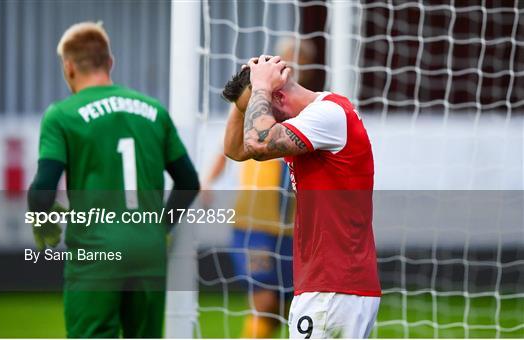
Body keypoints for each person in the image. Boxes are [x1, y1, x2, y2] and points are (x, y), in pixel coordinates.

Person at [27, 22, 199, 338]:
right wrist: (159, 227)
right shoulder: (154, 111)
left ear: (68, 67)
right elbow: (189, 181)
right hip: (148, 251)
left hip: (97, 252)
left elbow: (42, 191)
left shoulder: (63, 115)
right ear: (110, 62)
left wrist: (40, 215)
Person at [221, 55, 381, 338]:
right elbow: (235, 150)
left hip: (332, 288)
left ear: (278, 97)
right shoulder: (315, 120)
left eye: (257, 112)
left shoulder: (326, 115)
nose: (253, 123)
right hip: (338, 287)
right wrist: (249, 89)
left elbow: (257, 143)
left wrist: (259, 88)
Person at [201, 39, 316, 338]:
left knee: (281, 309)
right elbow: (229, 150)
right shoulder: (260, 104)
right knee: (264, 301)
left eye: (301, 59)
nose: (296, 63)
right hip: (254, 223)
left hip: (291, 227)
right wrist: (207, 182)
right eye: (290, 57)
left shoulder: (303, 110)